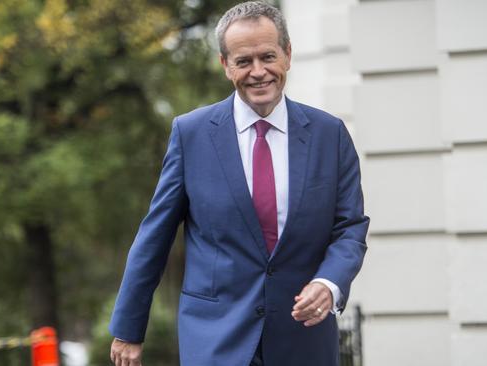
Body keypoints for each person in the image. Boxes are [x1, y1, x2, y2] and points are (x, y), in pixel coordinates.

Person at [109, 2, 369, 365]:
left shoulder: (330, 135)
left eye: (268, 56)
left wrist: (329, 282)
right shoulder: (191, 134)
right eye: (244, 61)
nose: (258, 72)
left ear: (288, 55)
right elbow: (156, 234)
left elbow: (350, 228)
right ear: (225, 65)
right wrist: (128, 328)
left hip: (302, 340)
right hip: (216, 339)